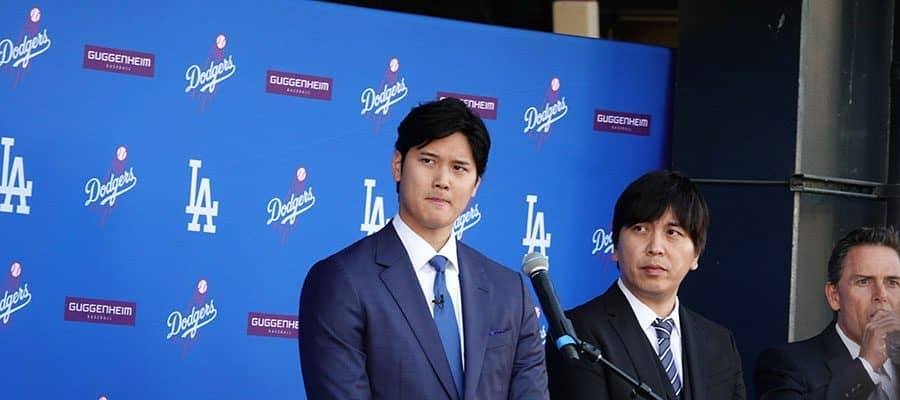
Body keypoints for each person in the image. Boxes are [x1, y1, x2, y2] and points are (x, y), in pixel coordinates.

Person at [298, 97, 548, 399]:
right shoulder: (341, 281)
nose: (442, 181)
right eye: (428, 161)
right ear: (398, 165)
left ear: (476, 185)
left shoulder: (510, 291)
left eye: (459, 168)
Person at [546, 169, 746, 400]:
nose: (655, 248)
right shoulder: (577, 332)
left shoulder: (720, 343)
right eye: (640, 229)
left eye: (672, 232)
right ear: (615, 246)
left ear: (696, 255)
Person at [754, 226, 900, 399]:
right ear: (834, 296)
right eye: (863, 281)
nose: (881, 295)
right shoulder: (784, 364)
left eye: (892, 283)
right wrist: (866, 366)